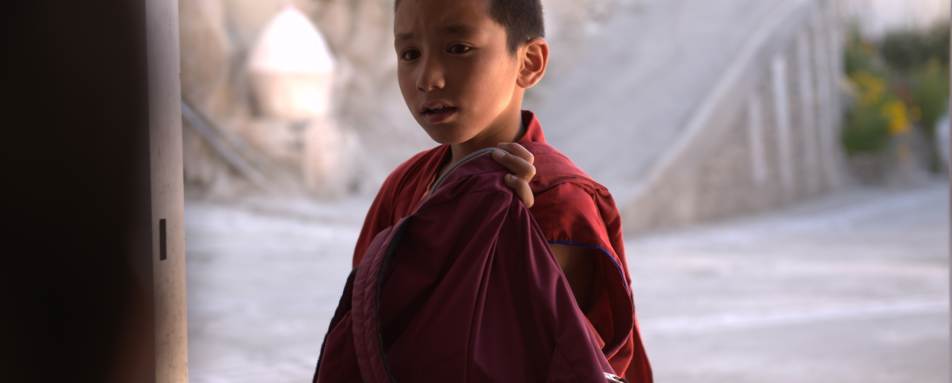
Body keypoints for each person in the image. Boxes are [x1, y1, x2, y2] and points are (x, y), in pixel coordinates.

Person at [315, 0, 651, 381]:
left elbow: (555, 358)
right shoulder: (404, 185)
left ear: (529, 63)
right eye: (410, 54)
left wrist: (508, 233)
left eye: (458, 48)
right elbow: (366, 329)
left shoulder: (559, 202)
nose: (428, 78)